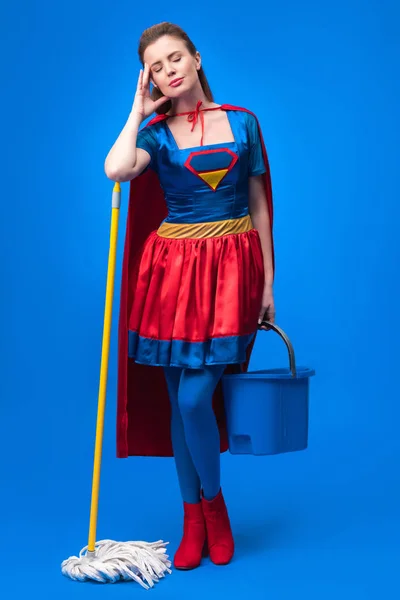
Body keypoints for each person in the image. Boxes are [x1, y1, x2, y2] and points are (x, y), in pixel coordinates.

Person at [104, 21, 276, 571]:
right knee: (182, 405)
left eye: (175, 58)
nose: (169, 70)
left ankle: (215, 506)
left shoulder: (244, 124)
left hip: (229, 271)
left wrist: (269, 280)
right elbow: (115, 168)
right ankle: (193, 517)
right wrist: (137, 112)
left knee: (195, 399)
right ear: (149, 78)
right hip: (172, 275)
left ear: (196, 59)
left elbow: (258, 204)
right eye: (156, 66)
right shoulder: (153, 134)